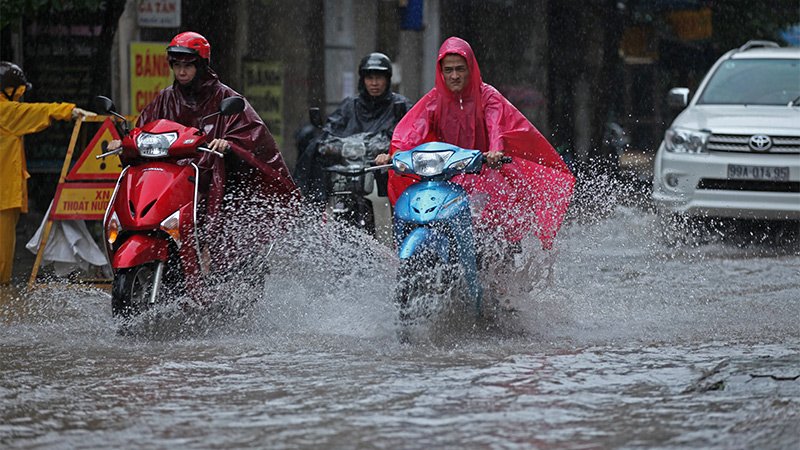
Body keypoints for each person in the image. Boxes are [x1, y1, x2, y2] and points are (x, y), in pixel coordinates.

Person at [108, 32, 297, 264]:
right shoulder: (165, 99)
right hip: (172, 180)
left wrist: (229, 145)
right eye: (177, 65)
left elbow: (253, 138)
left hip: (213, 179)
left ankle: (214, 264)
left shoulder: (226, 97)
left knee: (221, 228)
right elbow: (145, 129)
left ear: (201, 65)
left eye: (188, 65)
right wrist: (125, 142)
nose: (182, 72)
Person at [379, 37, 575, 250]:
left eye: (460, 69)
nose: (454, 76)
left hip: (487, 171)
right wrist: (395, 154)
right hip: (447, 175)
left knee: (496, 229)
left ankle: (499, 274)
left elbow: (496, 125)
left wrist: (494, 151)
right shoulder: (434, 100)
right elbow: (411, 131)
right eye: (448, 70)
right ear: (441, 72)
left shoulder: (487, 96)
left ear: (471, 68)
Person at [0, 61, 96, 285]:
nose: (20, 98)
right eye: (19, 92)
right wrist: (68, 111)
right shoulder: (5, 111)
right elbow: (34, 112)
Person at [293, 52, 412, 202]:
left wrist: (392, 152)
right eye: (370, 78)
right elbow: (330, 129)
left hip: (382, 170)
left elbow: (411, 135)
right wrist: (327, 144)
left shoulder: (401, 106)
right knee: (311, 147)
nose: (374, 83)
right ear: (363, 80)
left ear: (387, 80)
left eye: (379, 78)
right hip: (348, 168)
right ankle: (310, 204)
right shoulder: (350, 105)